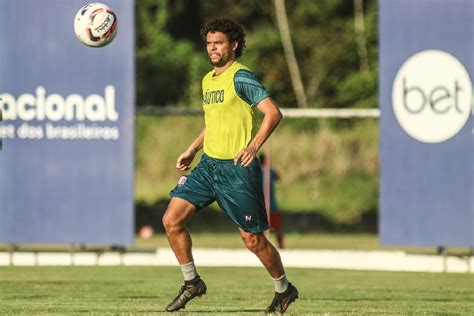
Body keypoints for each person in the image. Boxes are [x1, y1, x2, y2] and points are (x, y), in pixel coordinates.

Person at [162, 18, 298, 314]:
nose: (212, 48)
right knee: (171, 220)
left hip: (237, 170)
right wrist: (192, 148)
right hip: (208, 166)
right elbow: (212, 123)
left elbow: (273, 113)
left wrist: (252, 146)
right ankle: (192, 283)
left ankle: (284, 289)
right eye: (209, 43)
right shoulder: (208, 80)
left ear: (233, 45)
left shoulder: (241, 77)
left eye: (218, 43)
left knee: (252, 240)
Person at [260, 153, 285, 249]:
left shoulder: (268, 172)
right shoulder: (261, 172)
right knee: (262, 228)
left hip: (270, 205)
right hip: (264, 205)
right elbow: (278, 177)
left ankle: (281, 246)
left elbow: (277, 177)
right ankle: (263, 246)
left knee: (277, 227)